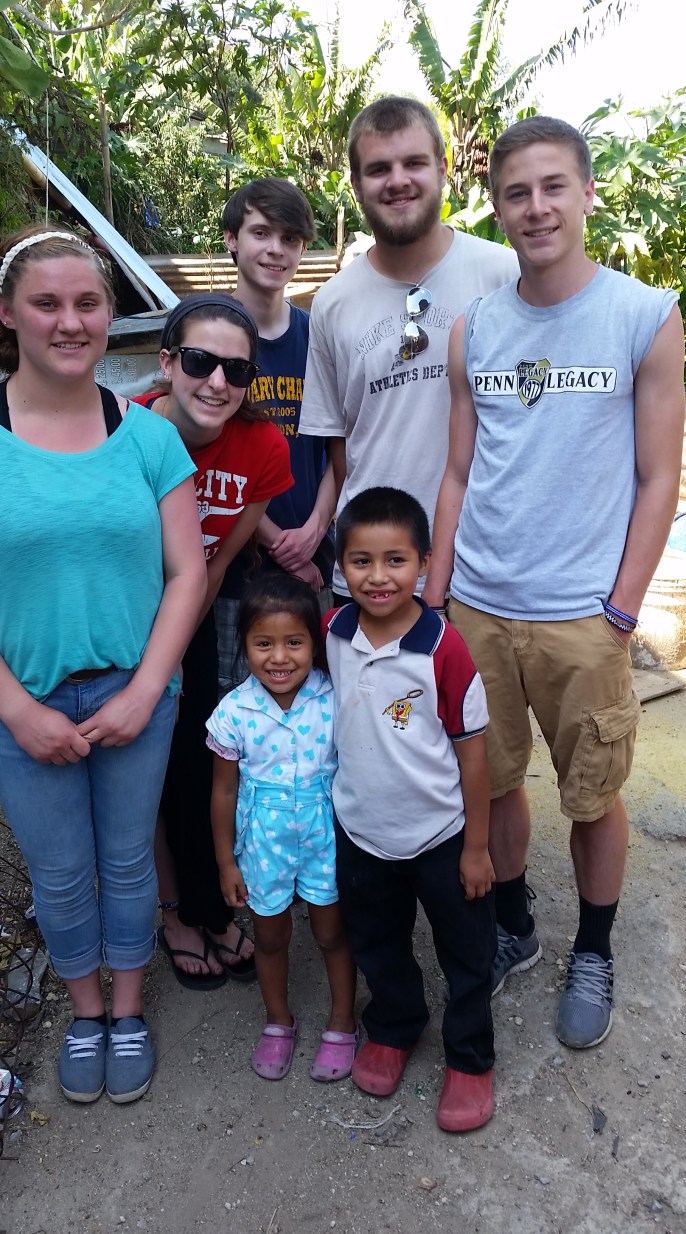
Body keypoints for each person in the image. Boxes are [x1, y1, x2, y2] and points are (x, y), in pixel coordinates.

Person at [424, 116, 686, 1049]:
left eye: (552, 187)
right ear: (496, 204)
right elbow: (458, 472)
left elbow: (660, 475)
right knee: (491, 787)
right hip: (481, 607)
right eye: (516, 192)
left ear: (584, 193)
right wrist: (439, 593)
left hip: (583, 616)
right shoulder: (474, 328)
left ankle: (597, 948)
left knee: (593, 795)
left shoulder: (643, 314)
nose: (535, 207)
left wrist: (621, 606)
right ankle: (517, 929)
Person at [0, 226, 206, 1103]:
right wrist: (15, 709)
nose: (70, 321)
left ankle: (128, 1008)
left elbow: (188, 569)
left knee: (127, 860)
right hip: (23, 701)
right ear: (9, 314)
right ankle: (84, 1013)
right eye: (47, 302)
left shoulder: (149, 438)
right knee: (57, 869)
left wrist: (147, 690)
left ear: (110, 313)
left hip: (136, 694)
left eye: (87, 302)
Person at [324, 487, 496, 1133]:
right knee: (376, 941)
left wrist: (478, 848)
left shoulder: (443, 649)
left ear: (424, 563)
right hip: (362, 831)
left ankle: (471, 1055)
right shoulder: (333, 634)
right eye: (360, 561)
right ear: (340, 566)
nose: (378, 576)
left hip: (440, 836)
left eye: (395, 560)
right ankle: (395, 1025)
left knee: (467, 949)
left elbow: (473, 755)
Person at [299, 96, 519, 599]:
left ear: (443, 168)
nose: (397, 180)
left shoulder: (504, 274)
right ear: (356, 186)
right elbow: (339, 441)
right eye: (378, 169)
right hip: (370, 576)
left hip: (483, 569)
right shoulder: (332, 302)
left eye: (414, 163)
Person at [135, 295, 293, 988]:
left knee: (202, 763)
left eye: (237, 370)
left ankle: (213, 907)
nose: (218, 382)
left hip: (193, 614)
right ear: (168, 362)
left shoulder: (262, 445)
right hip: (121, 621)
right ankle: (176, 913)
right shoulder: (127, 429)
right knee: (151, 772)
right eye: (200, 362)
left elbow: (221, 559)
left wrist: (176, 648)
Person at [207, 573, 357, 1082]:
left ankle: (342, 1022)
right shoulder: (233, 713)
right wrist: (227, 862)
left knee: (332, 933)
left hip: (326, 838)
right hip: (262, 846)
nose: (279, 657)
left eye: (294, 642)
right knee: (270, 938)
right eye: (263, 643)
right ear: (243, 644)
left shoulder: (334, 700)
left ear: (314, 644)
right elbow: (223, 791)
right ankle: (278, 1022)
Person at [216, 178, 336, 691]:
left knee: (317, 708)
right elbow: (202, 449)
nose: (275, 249)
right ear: (231, 239)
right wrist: (276, 541)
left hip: (314, 563)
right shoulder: (211, 334)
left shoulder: (319, 335)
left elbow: (340, 444)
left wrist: (312, 532)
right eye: (261, 232)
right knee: (232, 713)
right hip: (236, 568)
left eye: (290, 238)